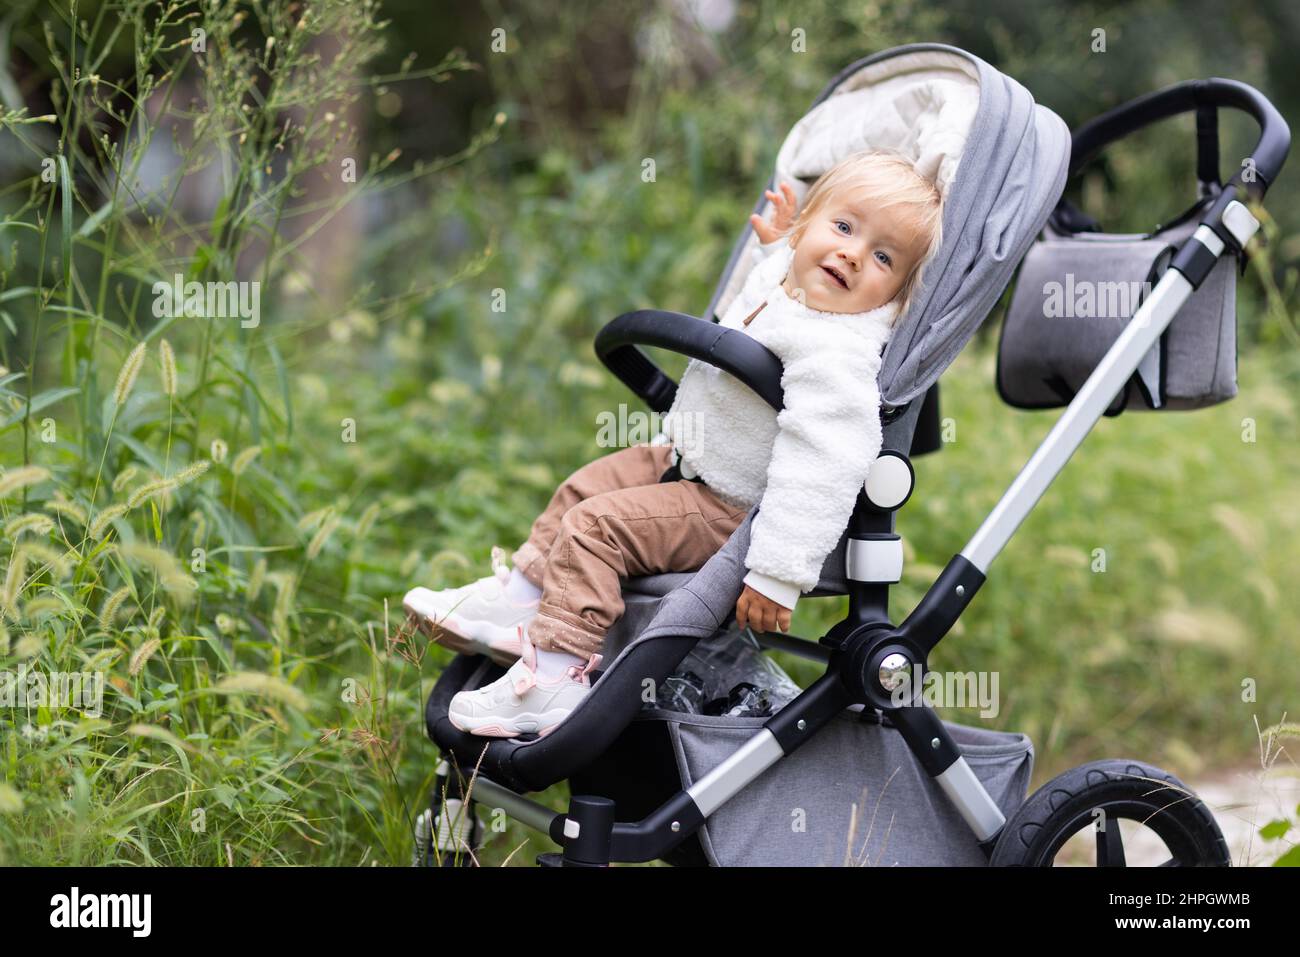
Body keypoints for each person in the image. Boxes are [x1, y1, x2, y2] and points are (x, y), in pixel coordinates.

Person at [404, 149, 944, 737]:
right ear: (808, 223)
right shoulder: (794, 283)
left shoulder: (838, 355)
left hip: (729, 509)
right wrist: (777, 242)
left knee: (594, 528)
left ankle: (555, 679)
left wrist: (777, 573)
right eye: (842, 227)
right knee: (583, 486)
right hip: (686, 460)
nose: (852, 253)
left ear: (897, 298)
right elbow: (777, 294)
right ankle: (522, 596)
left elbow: (825, 465)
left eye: (883, 257)